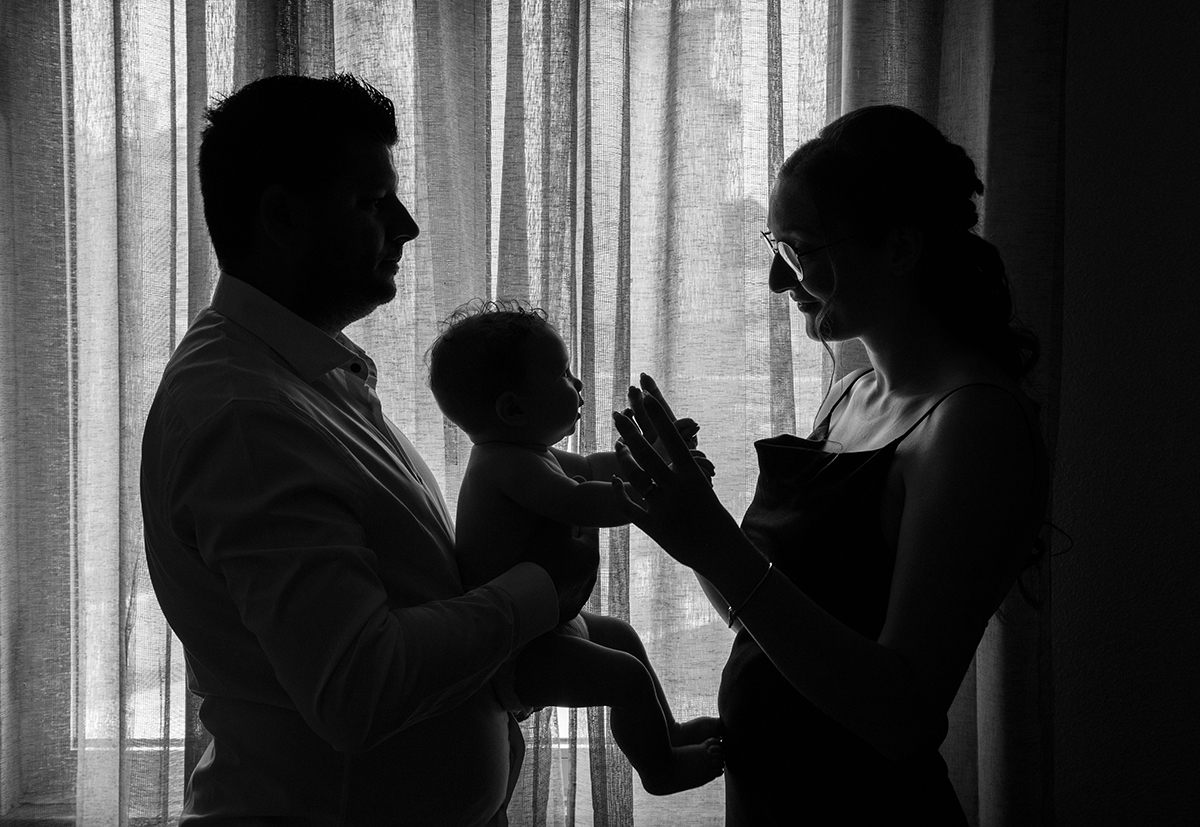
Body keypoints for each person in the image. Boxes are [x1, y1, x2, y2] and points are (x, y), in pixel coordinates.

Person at [140, 74, 597, 827]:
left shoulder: (307, 379)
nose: (406, 225)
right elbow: (360, 687)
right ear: (283, 217)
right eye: (372, 201)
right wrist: (540, 586)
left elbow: (410, 607)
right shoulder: (246, 414)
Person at [607, 104, 1051, 825]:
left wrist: (715, 543)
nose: (777, 281)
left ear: (899, 248)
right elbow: (762, 620)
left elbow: (902, 716)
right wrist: (687, 516)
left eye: (801, 250)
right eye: (776, 247)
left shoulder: (973, 423)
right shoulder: (850, 392)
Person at [426, 301, 724, 795]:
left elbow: (592, 468)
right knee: (625, 678)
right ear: (513, 409)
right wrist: (652, 491)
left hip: (547, 628)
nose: (578, 382)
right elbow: (577, 501)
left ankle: (665, 732)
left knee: (623, 636)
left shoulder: (530, 453)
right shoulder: (503, 466)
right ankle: (659, 769)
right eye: (563, 373)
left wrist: (652, 455)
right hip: (516, 653)